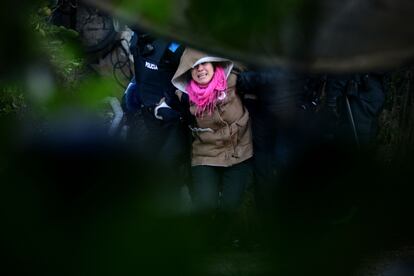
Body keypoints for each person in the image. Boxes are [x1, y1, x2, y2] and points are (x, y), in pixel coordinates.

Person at [171, 48, 253, 213]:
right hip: (205, 154)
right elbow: (166, 101)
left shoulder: (234, 80)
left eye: (204, 63)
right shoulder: (185, 95)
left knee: (230, 209)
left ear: (215, 64)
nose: (200, 69)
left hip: (239, 152)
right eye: (194, 67)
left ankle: (223, 238)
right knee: (205, 207)